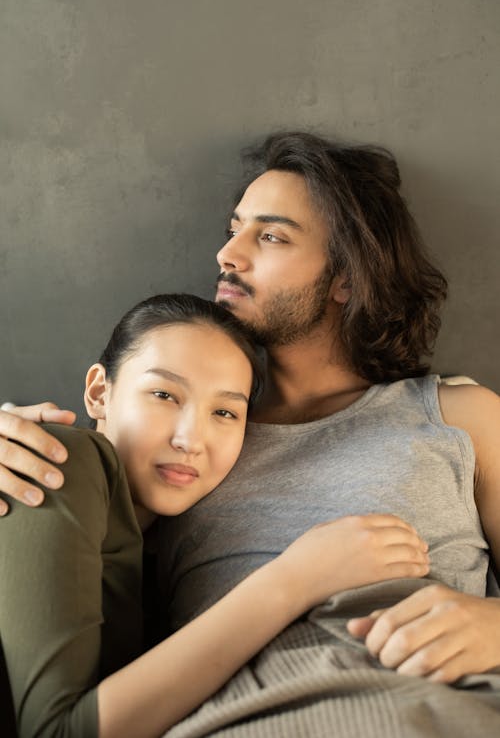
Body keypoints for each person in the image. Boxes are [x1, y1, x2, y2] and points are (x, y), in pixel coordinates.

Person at [1, 132, 500, 737]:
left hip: (425, 703)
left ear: (347, 276)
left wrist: (493, 626)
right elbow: (80, 540)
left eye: (270, 236)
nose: (226, 254)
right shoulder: (189, 454)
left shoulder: (459, 415)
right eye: (234, 228)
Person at [1, 291, 433, 738]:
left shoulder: (165, 559)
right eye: (164, 394)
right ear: (98, 393)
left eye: (225, 412)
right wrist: (297, 578)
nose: (192, 439)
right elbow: (54, 732)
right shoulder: (57, 460)